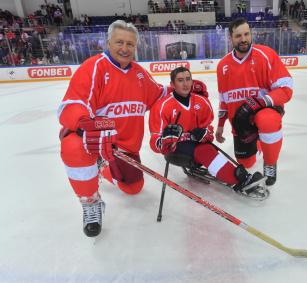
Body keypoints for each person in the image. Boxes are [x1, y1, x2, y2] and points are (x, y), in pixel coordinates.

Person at [58, 20, 167, 237]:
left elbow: (159, 95)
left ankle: (102, 168)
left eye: (130, 44)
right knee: (72, 146)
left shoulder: (139, 74)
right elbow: (70, 106)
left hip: (124, 148)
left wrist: (183, 91)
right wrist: (83, 124)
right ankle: (91, 203)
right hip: (96, 143)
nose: (125, 49)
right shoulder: (94, 67)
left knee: (134, 188)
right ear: (108, 42)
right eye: (119, 42)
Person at [149, 67, 267, 198]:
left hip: (197, 144)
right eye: (180, 80)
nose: (186, 84)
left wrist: (205, 133)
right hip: (175, 149)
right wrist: (165, 141)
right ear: (172, 85)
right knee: (205, 151)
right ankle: (241, 180)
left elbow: (208, 131)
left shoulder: (201, 101)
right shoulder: (162, 106)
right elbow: (154, 140)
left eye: (188, 79)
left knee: (208, 150)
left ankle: (238, 175)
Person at [215, 18, 293, 186]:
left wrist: (261, 102)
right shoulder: (223, 66)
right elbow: (223, 100)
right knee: (246, 163)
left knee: (267, 120)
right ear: (231, 38)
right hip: (241, 124)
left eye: (246, 34)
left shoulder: (266, 54)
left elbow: (286, 89)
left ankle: (270, 162)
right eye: (238, 36)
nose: (243, 39)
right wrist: (221, 124)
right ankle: (259, 142)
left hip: (265, 111)